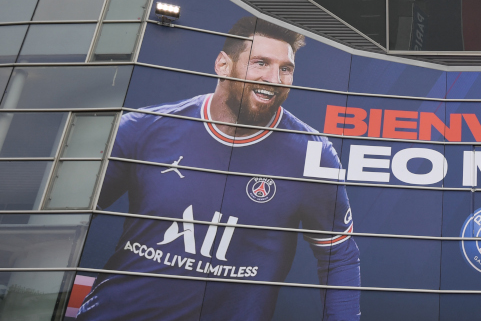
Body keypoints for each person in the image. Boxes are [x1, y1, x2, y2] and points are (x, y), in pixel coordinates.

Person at [78, 17, 360, 321]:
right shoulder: (144, 127)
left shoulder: (313, 154)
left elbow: (339, 256)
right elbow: (70, 216)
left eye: (285, 69)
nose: (274, 78)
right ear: (223, 65)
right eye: (261, 63)